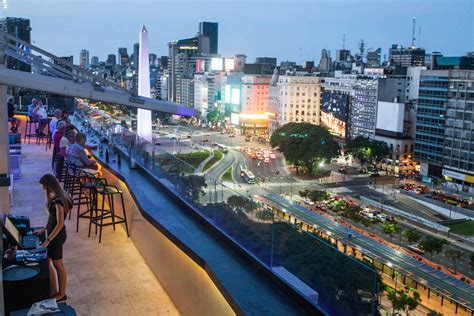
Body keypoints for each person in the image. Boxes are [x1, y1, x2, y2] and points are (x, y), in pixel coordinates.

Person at [33, 174, 72, 302]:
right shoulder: (53, 197)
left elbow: (60, 224)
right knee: (48, 262)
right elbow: (52, 219)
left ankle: (61, 294)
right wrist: (43, 230)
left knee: (58, 264)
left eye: (43, 187)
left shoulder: (59, 201)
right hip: (52, 235)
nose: (42, 189)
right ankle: (54, 290)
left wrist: (47, 241)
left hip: (57, 237)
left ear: (48, 185)